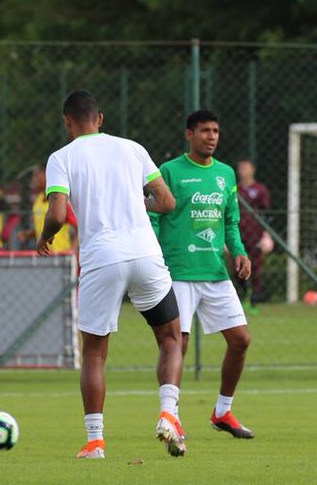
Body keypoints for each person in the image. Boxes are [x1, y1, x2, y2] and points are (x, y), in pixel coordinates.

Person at [36, 90, 185, 459]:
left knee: (95, 355)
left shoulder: (61, 158)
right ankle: (169, 412)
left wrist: (46, 236)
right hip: (145, 253)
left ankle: (96, 441)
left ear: (67, 121)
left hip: (101, 259)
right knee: (169, 338)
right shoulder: (132, 148)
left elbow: (56, 214)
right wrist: (138, 204)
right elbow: (166, 202)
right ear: (100, 118)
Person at [150, 110, 256, 439]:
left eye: (215, 131)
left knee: (241, 341)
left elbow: (230, 221)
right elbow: (153, 215)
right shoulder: (170, 171)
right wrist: (155, 256)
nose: (211, 136)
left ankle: (222, 412)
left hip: (215, 274)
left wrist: (239, 251)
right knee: (176, 344)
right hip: (178, 272)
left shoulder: (225, 174)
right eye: (205, 131)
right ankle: (172, 415)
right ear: (189, 135)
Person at [236, 158, 271, 311]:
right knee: (238, 266)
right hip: (239, 232)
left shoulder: (260, 189)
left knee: (256, 268)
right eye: (241, 168)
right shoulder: (235, 189)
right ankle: (244, 294)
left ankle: (255, 300)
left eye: (246, 168)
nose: (243, 171)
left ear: (253, 170)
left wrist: (266, 233)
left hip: (255, 233)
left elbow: (267, 212)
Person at [18, 164, 77, 254]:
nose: (33, 179)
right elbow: (42, 229)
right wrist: (27, 234)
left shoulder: (60, 201)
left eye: (36, 175)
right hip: (44, 254)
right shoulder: (37, 201)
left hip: (61, 255)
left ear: (46, 176)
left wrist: (72, 249)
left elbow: (78, 227)